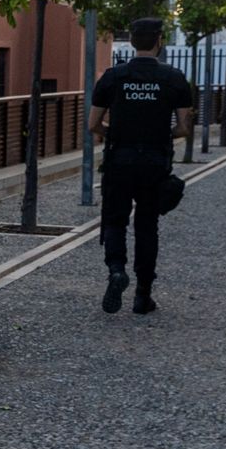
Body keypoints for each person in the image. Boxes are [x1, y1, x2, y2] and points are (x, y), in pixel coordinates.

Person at [88, 17, 196, 315]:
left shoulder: (113, 77)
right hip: (155, 162)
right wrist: (161, 134)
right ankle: (142, 295)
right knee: (147, 226)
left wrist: (118, 134)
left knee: (115, 221)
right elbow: (185, 128)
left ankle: (116, 271)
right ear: (159, 40)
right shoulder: (174, 78)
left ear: (133, 41)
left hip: (119, 160)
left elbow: (93, 125)